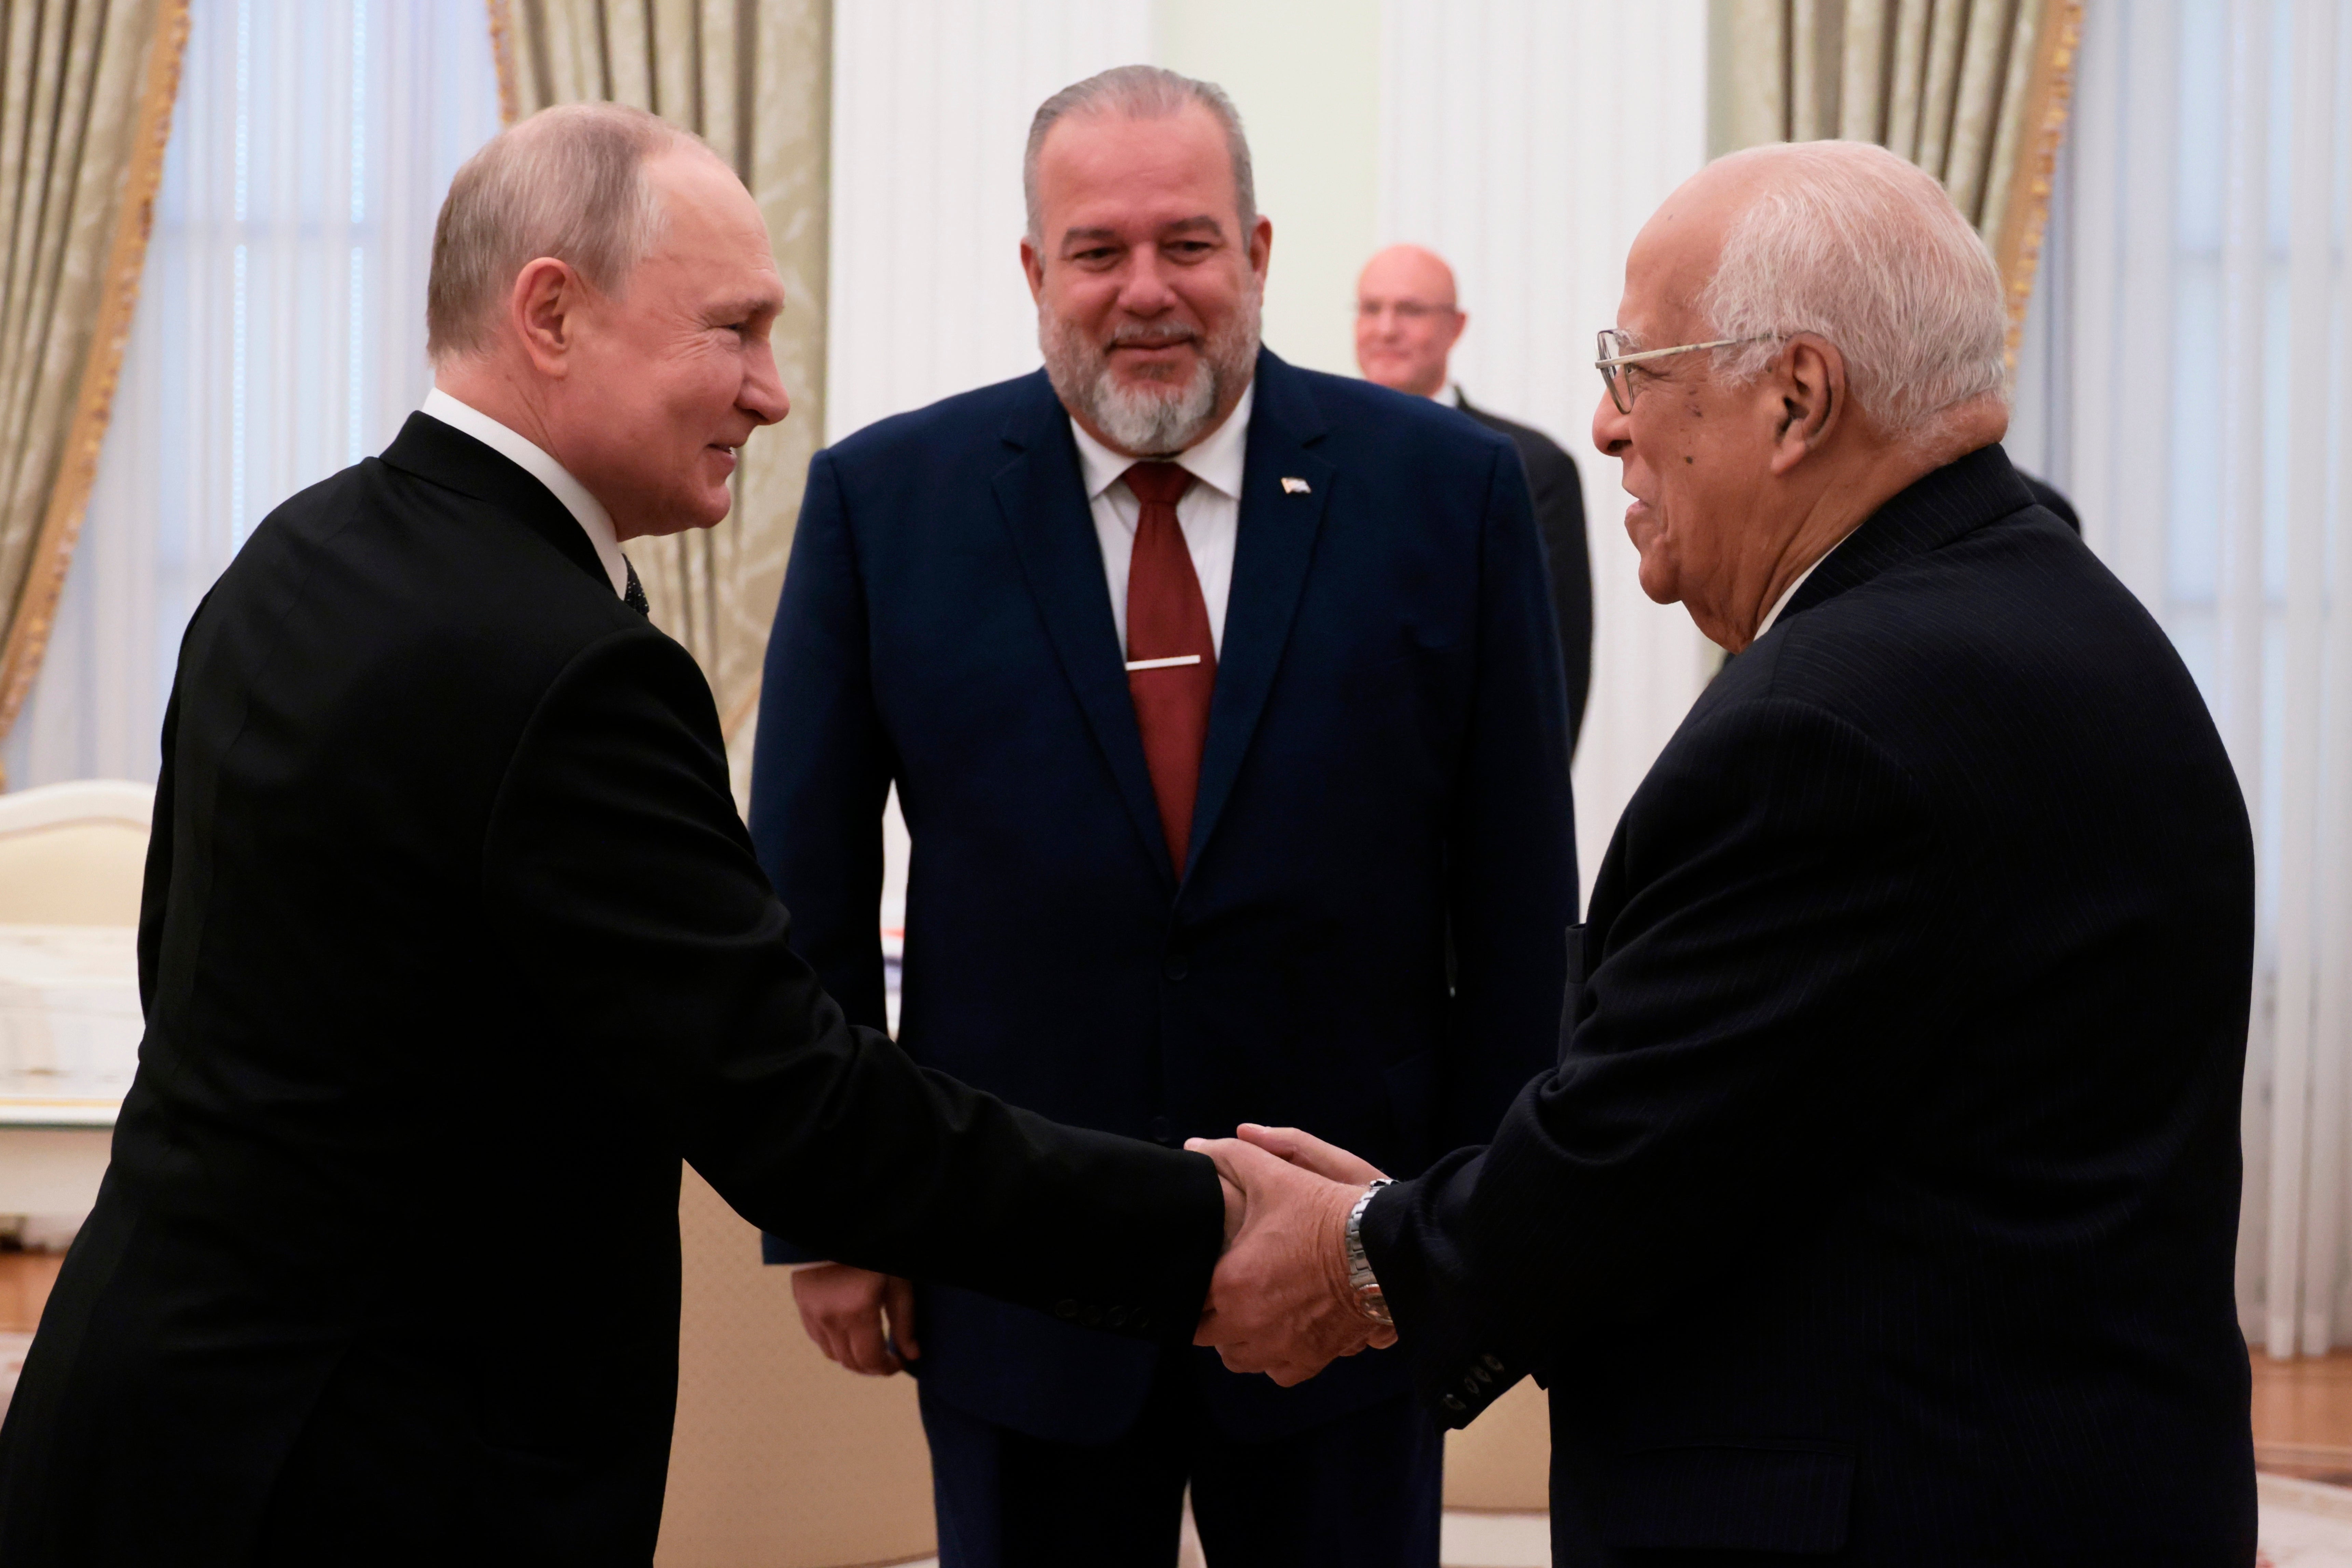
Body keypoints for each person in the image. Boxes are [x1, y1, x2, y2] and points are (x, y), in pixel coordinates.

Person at [0, 104, 1235, 1566]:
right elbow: (799, 1115)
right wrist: (1202, 1215)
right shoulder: (566, 664)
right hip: (377, 1479)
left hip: (138, 1428)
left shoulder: (296, 556)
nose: (772, 395)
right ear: (551, 313)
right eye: (735, 330)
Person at [1194, 140, 2256, 1565]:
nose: (1604, 423)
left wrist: (1363, 1256)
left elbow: (1630, 1162)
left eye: (1637, 367)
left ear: (1793, 397)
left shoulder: (1831, 721)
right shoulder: (2046, 600)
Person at [749, 65, 1575, 1568]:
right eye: (1098, 249)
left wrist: (1480, 1238)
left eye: (1187, 244)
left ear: (1258, 252)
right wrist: (829, 1211)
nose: (1146, 291)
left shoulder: (1448, 496)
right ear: (1031, 270)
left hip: (1348, 1275)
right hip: (1009, 1275)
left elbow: (1517, 893)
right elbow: (800, 882)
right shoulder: (885, 501)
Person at [1355, 244, 1593, 748]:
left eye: (1410, 310)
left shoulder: (1532, 467)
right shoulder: (1308, 462)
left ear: (1455, 327)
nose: (1385, 328)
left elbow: (1555, 671)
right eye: (1370, 308)